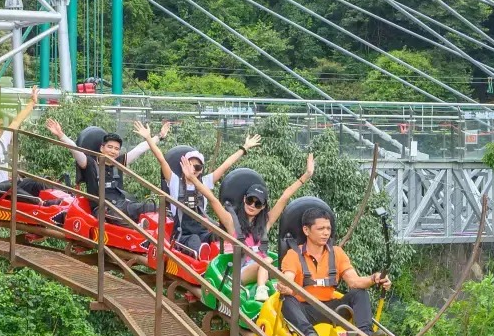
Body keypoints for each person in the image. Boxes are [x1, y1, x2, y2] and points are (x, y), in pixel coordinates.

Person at [133, 120, 261, 256]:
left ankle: (231, 258)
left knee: (220, 235)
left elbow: (225, 165)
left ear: (201, 169)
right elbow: (161, 159)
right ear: (183, 165)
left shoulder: (205, 183)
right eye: (190, 165)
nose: (193, 170)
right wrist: (148, 138)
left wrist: (244, 148)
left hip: (202, 231)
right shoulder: (175, 182)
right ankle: (200, 255)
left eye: (198, 167)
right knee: (194, 240)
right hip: (182, 232)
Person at [278, 206, 391, 336]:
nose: (326, 233)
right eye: (320, 229)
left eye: (328, 229)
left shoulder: (337, 253)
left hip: (332, 310)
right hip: (306, 310)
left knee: (359, 293)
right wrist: (285, 286)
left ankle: (366, 335)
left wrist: (374, 278)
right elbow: (288, 277)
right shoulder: (294, 255)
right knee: (287, 301)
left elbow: (354, 282)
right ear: (306, 230)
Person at [225, 154, 315, 302]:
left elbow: (285, 197)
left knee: (281, 263)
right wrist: (193, 180)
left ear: (263, 207)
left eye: (257, 203)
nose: (252, 205)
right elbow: (213, 200)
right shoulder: (232, 222)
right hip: (242, 271)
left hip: (262, 266)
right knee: (266, 261)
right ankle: (261, 290)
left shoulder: (264, 223)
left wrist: (306, 175)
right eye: (250, 200)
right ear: (244, 199)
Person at [45, 117, 170, 222]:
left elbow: (139, 149)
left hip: (122, 205)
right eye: (110, 147)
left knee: (154, 207)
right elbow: (75, 150)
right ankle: (140, 230)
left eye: (116, 149)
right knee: (123, 219)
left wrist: (159, 136)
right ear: (101, 148)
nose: (113, 151)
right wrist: (61, 135)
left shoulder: (118, 163)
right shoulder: (90, 164)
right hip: (103, 210)